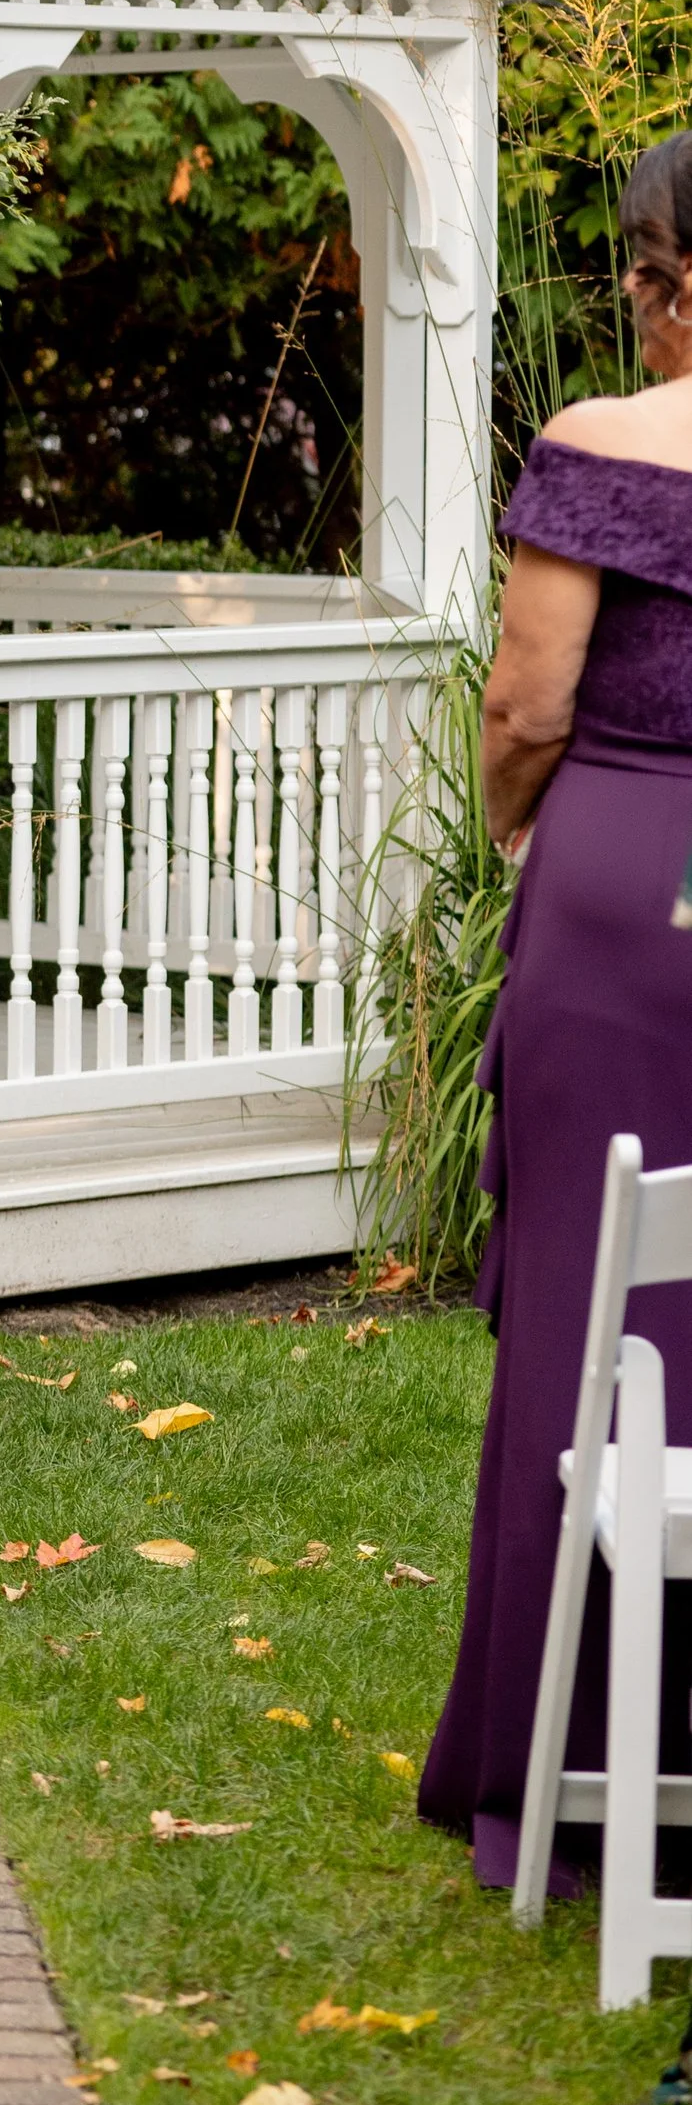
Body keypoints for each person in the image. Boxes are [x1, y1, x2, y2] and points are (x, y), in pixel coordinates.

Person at [425, 131, 692, 1889]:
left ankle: (573, 1755)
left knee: (607, 1308)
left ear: (668, 269)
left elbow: (527, 698)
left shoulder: (608, 445)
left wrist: (525, 822)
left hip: (627, 880)